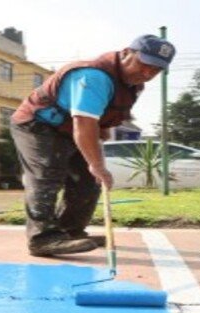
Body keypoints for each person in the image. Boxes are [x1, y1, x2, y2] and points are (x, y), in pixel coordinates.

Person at [10, 35, 175, 257]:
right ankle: (42, 239)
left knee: (89, 180)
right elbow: (84, 122)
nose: (147, 73)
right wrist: (97, 164)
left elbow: (101, 115)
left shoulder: (134, 84)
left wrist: (102, 137)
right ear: (127, 52)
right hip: (39, 123)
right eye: (143, 64)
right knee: (47, 172)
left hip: (72, 128)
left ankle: (70, 232)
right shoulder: (94, 75)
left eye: (155, 70)